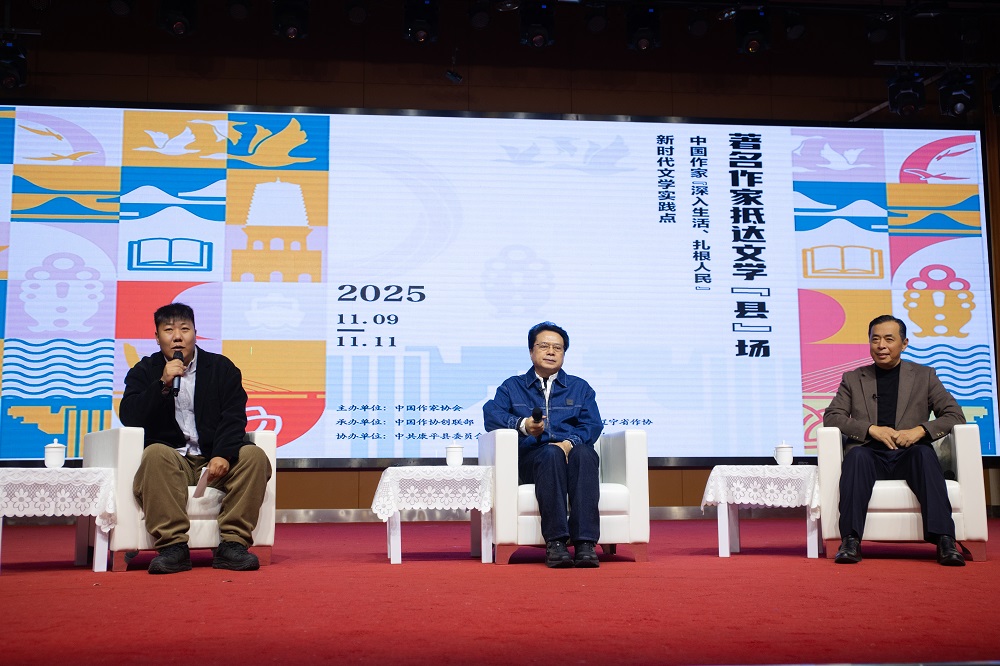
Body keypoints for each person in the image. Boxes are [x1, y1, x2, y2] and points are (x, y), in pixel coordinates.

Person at [119, 303, 272, 574]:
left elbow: (234, 416)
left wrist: (223, 453)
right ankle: (173, 548)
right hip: (172, 461)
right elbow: (130, 416)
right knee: (155, 454)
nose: (177, 337)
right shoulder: (145, 370)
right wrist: (161, 385)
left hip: (213, 458)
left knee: (254, 456)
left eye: (184, 329)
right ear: (157, 337)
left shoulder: (221, 368)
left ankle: (233, 545)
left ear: (195, 333)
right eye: (169, 330)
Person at [823, 314, 967, 566]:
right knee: (856, 456)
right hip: (870, 453)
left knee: (924, 454)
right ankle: (850, 541)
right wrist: (870, 429)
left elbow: (955, 415)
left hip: (910, 453)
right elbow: (832, 416)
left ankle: (945, 540)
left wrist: (920, 430)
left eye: (889, 339)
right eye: (875, 339)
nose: (881, 346)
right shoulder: (853, 378)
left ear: (904, 343)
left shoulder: (924, 376)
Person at [483, 322, 603, 568]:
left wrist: (569, 443)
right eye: (544, 346)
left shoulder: (580, 387)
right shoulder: (512, 386)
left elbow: (592, 424)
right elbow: (491, 415)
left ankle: (585, 543)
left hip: (573, 455)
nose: (551, 352)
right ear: (531, 351)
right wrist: (524, 425)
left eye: (557, 348)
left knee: (584, 453)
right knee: (549, 453)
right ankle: (556, 542)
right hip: (534, 459)